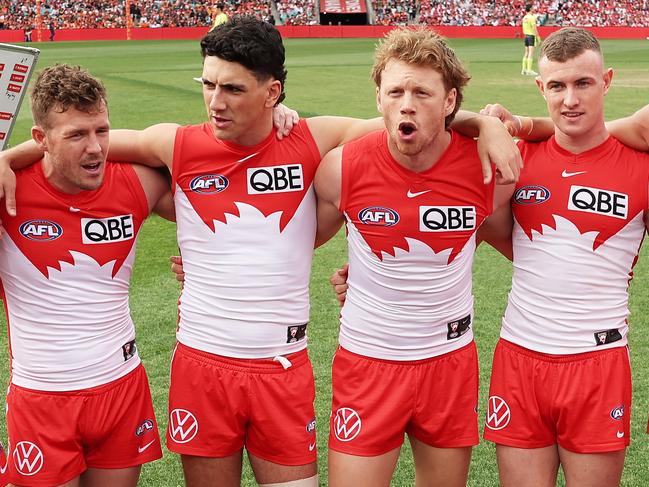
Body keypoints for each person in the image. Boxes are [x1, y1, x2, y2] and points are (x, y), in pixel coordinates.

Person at [0, 17, 520, 487]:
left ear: (271, 92)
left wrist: (485, 122)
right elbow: (87, 143)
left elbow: (411, 119)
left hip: (283, 364)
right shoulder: (175, 144)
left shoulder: (314, 140)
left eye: (232, 89)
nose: (215, 102)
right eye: (207, 84)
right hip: (202, 364)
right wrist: (9, 155)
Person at [313, 27, 512, 487]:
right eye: (395, 91)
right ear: (378, 98)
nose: (407, 103)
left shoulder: (489, 170)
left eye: (422, 92)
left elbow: (480, 237)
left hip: (449, 361)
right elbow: (290, 244)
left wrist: (490, 123)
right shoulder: (341, 168)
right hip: (368, 361)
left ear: (449, 101)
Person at [475, 27, 649, 487]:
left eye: (583, 83)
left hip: (598, 362)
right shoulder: (514, 156)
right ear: (541, 87)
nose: (569, 99)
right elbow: (475, 229)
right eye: (557, 85)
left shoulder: (640, 164)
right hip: (519, 356)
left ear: (607, 81)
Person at [0, 64, 171, 486]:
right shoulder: (8, 192)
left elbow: (212, 165)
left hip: (120, 388)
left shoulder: (136, 183)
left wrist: (276, 114)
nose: (95, 148)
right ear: (40, 139)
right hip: (43, 399)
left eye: (102, 130)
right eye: (77, 135)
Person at [521, 4, 540, 76]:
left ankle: (524, 69)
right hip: (531, 36)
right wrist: (538, 38)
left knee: (526, 53)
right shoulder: (531, 18)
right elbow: (534, 29)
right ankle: (529, 70)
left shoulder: (525, 17)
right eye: (532, 8)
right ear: (530, 9)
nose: (534, 9)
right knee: (531, 53)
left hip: (526, 36)